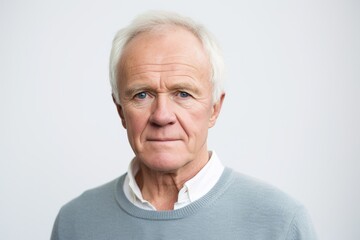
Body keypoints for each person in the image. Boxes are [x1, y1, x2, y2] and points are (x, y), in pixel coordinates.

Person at [51, 10, 317, 240]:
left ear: (215, 108)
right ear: (120, 110)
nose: (162, 115)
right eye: (142, 94)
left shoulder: (281, 224)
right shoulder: (75, 222)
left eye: (183, 94)